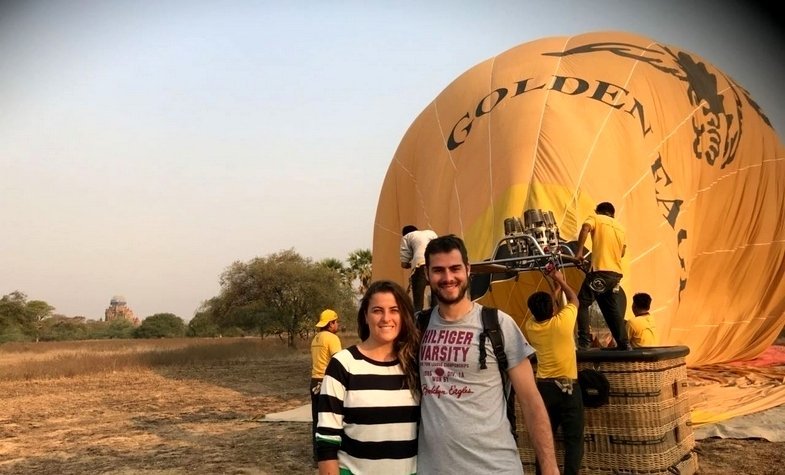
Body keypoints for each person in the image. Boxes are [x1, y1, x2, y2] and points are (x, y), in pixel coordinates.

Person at [417, 234, 558, 474]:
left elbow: (530, 401)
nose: (448, 278)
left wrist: (549, 467)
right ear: (427, 275)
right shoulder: (418, 327)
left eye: (455, 268)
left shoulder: (498, 324)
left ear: (468, 270)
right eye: (438, 270)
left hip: (494, 467)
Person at [315, 280, 420, 475]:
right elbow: (326, 440)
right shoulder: (343, 365)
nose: (386, 318)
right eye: (377, 310)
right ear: (365, 316)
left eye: (394, 310)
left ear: (404, 316)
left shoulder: (416, 364)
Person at [524, 268, 584, 475]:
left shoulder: (530, 327)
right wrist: (560, 280)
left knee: (545, 439)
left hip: (544, 389)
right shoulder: (563, 322)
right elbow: (575, 299)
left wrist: (555, 290)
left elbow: (543, 310)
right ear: (552, 309)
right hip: (568, 388)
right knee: (574, 440)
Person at [574, 202, 631, 350]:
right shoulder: (621, 228)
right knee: (610, 309)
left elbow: (585, 228)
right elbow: (622, 252)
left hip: (601, 271)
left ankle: (584, 341)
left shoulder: (596, 218)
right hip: (615, 276)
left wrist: (579, 252)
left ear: (598, 211)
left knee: (581, 303)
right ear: (612, 214)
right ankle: (624, 343)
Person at [310, 309, 342, 466]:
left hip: (314, 381)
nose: (338, 324)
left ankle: (317, 456)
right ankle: (329, 456)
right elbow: (338, 362)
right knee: (330, 420)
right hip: (326, 382)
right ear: (331, 324)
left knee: (316, 419)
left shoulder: (316, 338)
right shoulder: (332, 338)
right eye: (336, 321)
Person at [400, 224, 438, 312]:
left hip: (420, 266)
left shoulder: (407, 237)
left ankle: (417, 322)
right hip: (435, 265)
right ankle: (435, 317)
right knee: (436, 298)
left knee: (418, 303)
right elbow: (438, 247)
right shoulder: (430, 233)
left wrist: (411, 264)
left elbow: (404, 263)